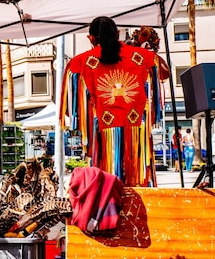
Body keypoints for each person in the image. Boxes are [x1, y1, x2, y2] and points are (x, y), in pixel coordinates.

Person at [59, 16, 169, 186]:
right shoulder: (143, 57)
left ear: (91, 38)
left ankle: (107, 207)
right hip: (136, 134)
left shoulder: (81, 62)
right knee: (137, 182)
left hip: (103, 136)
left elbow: (71, 107)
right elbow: (163, 73)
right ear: (117, 33)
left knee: (105, 184)